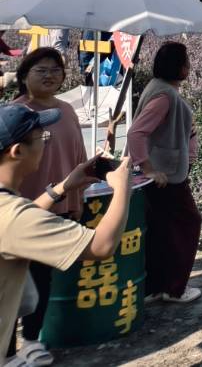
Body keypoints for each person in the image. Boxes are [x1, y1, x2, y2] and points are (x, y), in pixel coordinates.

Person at [0, 103, 133, 366]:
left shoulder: (8, 208)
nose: (45, 143)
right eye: (42, 137)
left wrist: (63, 187)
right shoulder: (12, 215)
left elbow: (19, 223)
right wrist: (122, 189)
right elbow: (101, 246)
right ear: (17, 151)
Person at [12, 49, 88, 365]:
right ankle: (7, 348)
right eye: (41, 70)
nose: (50, 76)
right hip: (20, 211)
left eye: (56, 70)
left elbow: (78, 159)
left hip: (58, 207)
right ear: (23, 76)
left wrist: (77, 200)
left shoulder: (66, 110)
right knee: (11, 284)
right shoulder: (15, 114)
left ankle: (30, 340)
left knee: (42, 279)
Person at [127, 41, 202, 305]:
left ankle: (154, 287)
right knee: (187, 225)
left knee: (161, 230)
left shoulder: (160, 88)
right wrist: (148, 168)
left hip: (166, 173)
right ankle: (174, 288)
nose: (189, 66)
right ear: (179, 67)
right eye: (186, 62)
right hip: (165, 177)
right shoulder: (164, 96)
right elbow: (136, 133)